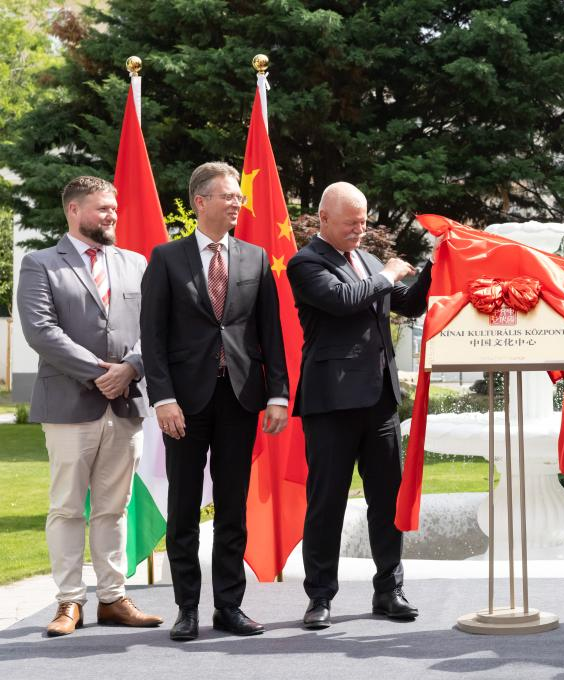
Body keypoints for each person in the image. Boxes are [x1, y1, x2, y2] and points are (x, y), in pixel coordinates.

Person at [140, 162, 289, 641]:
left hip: (240, 399)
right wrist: (162, 398)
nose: (237, 203)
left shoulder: (255, 257)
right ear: (200, 201)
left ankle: (229, 606)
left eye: (238, 198)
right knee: (183, 508)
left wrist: (278, 393)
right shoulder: (166, 258)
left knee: (232, 508)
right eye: (228, 196)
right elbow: (154, 336)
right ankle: (187, 608)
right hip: (184, 403)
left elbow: (270, 331)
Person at [17, 176, 163, 636]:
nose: (112, 215)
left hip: (125, 404)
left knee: (113, 508)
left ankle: (114, 598)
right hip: (68, 405)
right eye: (102, 208)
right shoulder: (40, 264)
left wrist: (132, 368)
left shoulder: (135, 263)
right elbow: (41, 330)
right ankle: (67, 603)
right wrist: (103, 372)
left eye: (114, 208)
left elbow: (154, 327)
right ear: (74, 211)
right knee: (65, 507)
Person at [287, 182, 432, 629]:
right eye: (351, 221)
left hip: (379, 401)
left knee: (386, 501)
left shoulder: (368, 261)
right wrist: (387, 275)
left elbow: (406, 304)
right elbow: (342, 301)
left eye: (364, 220)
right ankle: (320, 597)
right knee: (326, 502)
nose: (360, 228)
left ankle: (389, 590)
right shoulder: (305, 263)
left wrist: (432, 266)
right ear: (323, 218)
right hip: (331, 402)